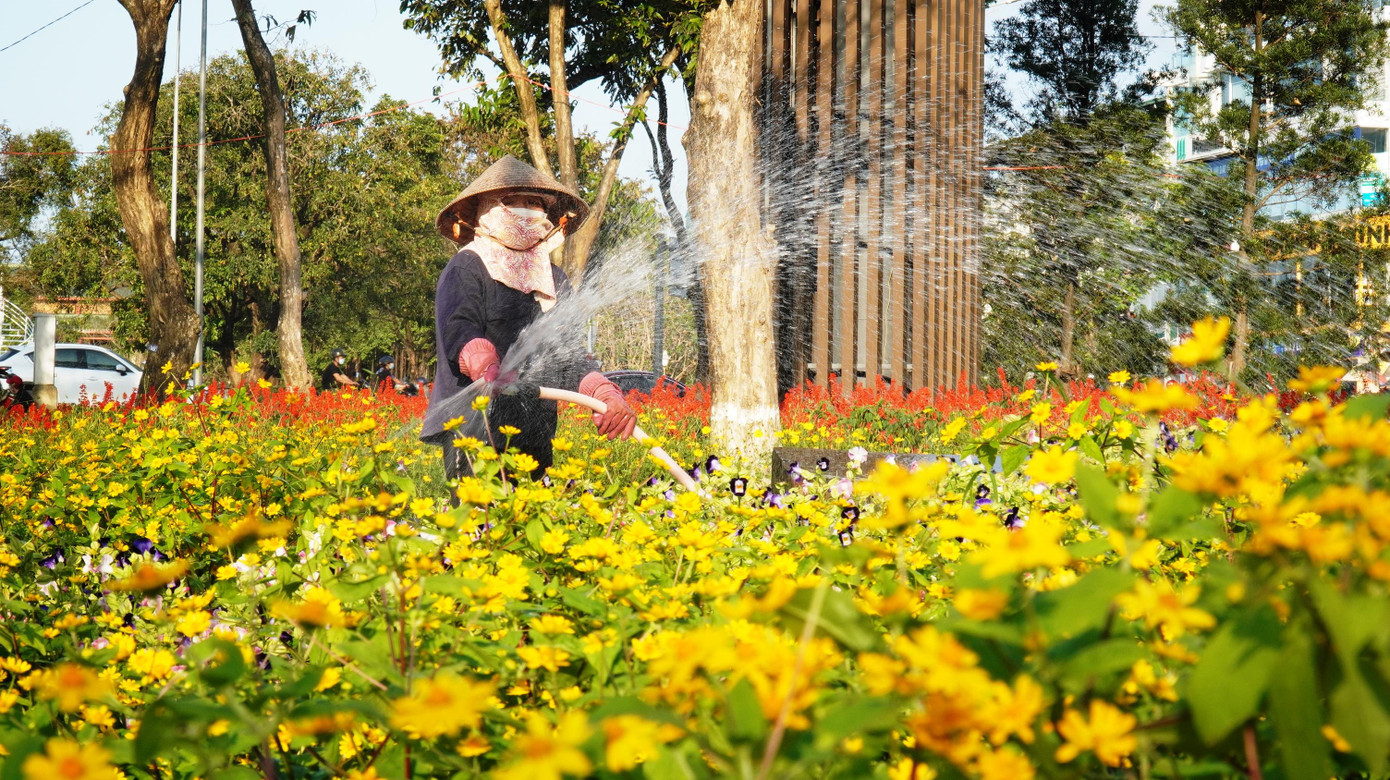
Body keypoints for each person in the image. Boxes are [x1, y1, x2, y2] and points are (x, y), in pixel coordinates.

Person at [420, 155, 636, 483]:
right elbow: (458, 327)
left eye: (535, 203)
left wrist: (604, 392)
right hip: (475, 428)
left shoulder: (554, 278)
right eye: (513, 202)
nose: (527, 211)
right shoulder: (468, 267)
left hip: (535, 425)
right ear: (485, 209)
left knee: (533, 524)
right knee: (481, 528)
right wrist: (482, 359)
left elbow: (566, 354)